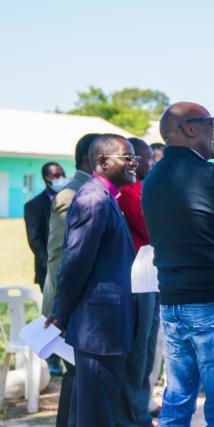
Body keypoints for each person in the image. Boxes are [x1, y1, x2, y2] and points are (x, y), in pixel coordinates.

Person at [142, 102, 214, 426]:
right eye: (210, 123)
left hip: (173, 305)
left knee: (177, 403)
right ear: (189, 128)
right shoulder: (211, 176)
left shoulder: (152, 180)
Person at [46, 134, 138, 427]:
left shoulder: (107, 196)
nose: (134, 163)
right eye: (127, 157)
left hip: (108, 323)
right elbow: (75, 263)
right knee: (94, 414)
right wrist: (61, 313)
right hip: (98, 325)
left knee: (97, 411)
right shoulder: (92, 198)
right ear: (102, 162)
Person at [41, 133, 96, 427]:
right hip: (69, 304)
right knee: (76, 374)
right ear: (92, 157)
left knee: (83, 376)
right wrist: (63, 309)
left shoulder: (88, 191)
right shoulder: (71, 195)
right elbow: (63, 258)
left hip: (77, 302)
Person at [115, 137, 157, 427]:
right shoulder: (130, 193)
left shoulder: (146, 190)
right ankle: (134, 417)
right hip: (138, 282)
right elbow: (154, 228)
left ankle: (140, 409)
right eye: (146, 159)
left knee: (149, 353)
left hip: (152, 279)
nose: (150, 165)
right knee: (139, 353)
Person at [24, 161, 67, 291]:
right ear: (46, 178)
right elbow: (35, 240)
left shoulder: (70, 199)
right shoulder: (34, 206)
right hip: (48, 272)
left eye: (63, 174)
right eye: (56, 175)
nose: (61, 178)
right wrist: (51, 266)